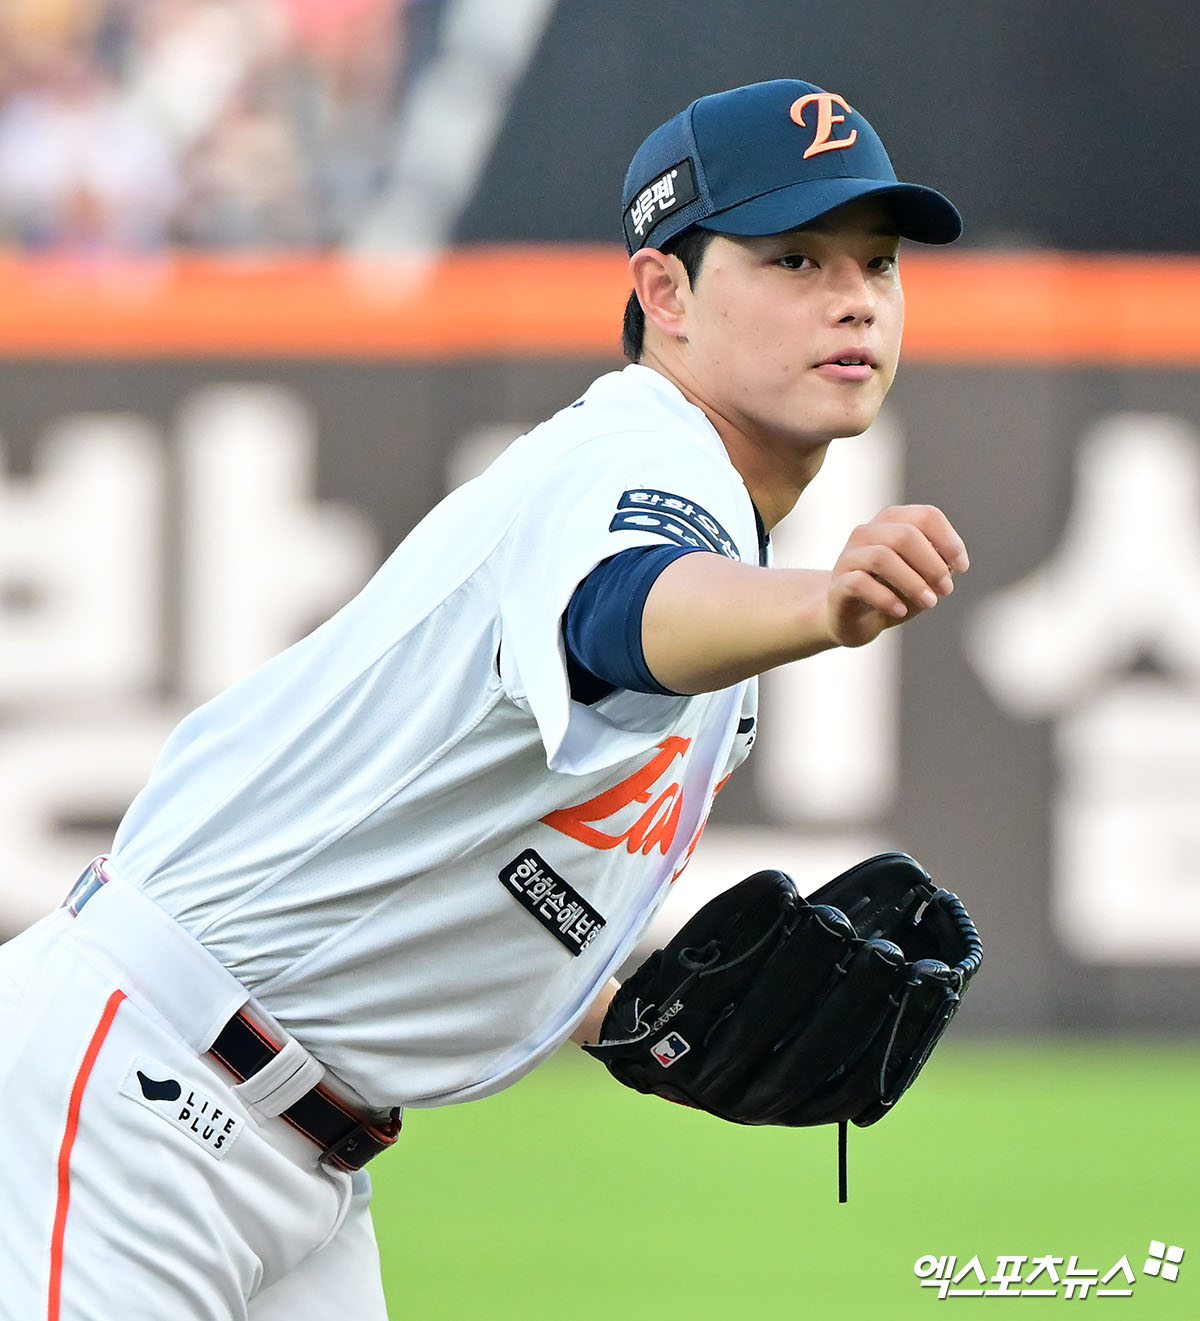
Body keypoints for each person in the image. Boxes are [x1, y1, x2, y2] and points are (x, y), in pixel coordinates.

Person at [0, 77, 969, 1320]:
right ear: (666, 292)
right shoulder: (641, 458)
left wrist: (618, 1015)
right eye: (793, 257)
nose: (854, 297)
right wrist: (823, 607)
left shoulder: (709, 538)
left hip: (291, 1153)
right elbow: (620, 610)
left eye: (877, 262)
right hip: (130, 1106)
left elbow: (481, 863)